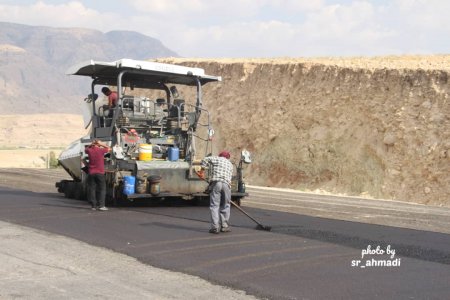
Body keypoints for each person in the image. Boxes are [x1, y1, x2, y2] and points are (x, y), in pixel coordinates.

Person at [201, 150, 234, 234]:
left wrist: (202, 169)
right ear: (228, 157)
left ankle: (215, 227)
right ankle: (225, 226)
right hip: (227, 185)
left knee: (215, 205)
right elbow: (230, 178)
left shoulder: (217, 159)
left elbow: (205, 159)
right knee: (226, 205)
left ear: (220, 155)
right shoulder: (230, 164)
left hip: (217, 183)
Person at [85, 139, 110, 211]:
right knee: (102, 189)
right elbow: (108, 148)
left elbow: (86, 149)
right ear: (98, 145)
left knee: (92, 189)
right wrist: (101, 144)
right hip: (100, 172)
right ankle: (101, 206)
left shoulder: (89, 150)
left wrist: (92, 144)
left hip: (91, 172)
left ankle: (93, 206)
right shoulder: (101, 150)